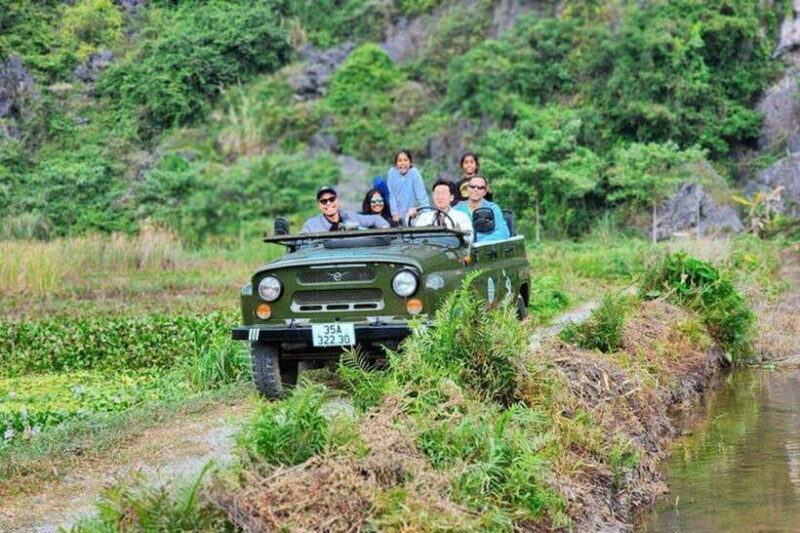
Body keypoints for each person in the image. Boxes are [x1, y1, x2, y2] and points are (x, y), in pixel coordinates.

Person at [302, 186, 390, 233]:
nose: (328, 203)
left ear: (338, 201)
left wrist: (384, 227)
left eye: (332, 199)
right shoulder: (310, 226)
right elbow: (300, 245)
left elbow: (376, 219)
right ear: (319, 206)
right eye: (324, 201)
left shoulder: (351, 217)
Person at [454, 175, 509, 242]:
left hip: (485, 249)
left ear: (485, 192)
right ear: (468, 189)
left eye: (480, 188)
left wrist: (480, 244)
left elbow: (503, 232)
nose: (475, 190)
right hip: (462, 248)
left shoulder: (492, 208)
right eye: (472, 187)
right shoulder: (457, 208)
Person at [387, 150, 429, 223]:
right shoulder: (392, 173)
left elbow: (422, 196)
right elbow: (392, 195)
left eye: (405, 160)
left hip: (413, 214)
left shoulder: (414, 173)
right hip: (398, 216)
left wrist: (427, 214)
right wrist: (394, 213)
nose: (403, 163)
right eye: (400, 160)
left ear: (410, 163)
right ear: (396, 164)